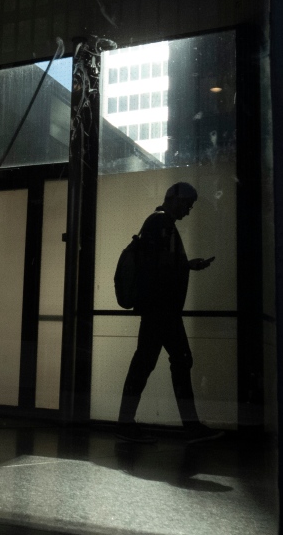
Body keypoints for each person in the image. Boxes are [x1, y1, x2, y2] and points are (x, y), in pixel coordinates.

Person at [115, 182, 224, 444]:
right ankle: (189, 426)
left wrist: (186, 265)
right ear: (175, 199)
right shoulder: (161, 223)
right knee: (177, 360)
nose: (188, 210)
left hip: (158, 308)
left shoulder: (158, 223)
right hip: (162, 309)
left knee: (148, 362)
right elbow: (159, 266)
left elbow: (156, 263)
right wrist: (184, 267)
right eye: (187, 204)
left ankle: (126, 422)